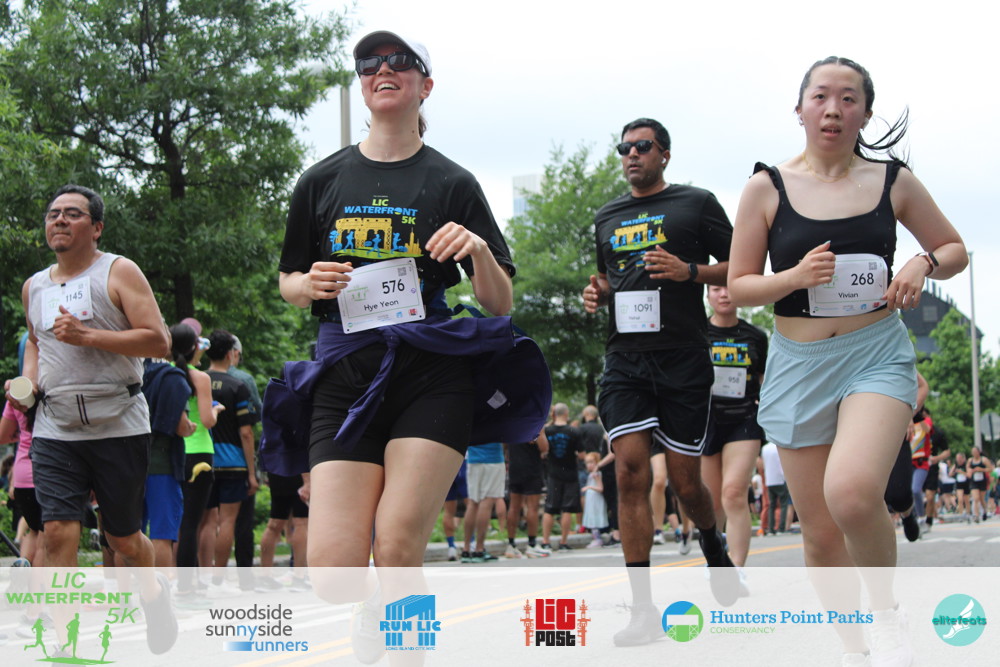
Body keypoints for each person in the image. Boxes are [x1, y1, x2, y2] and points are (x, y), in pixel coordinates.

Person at [265, 29, 548, 663]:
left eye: (399, 61)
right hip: (345, 369)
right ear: (362, 84)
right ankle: (372, 606)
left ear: (425, 85)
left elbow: (500, 303)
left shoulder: (451, 181)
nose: (382, 69)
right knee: (333, 572)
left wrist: (478, 250)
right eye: (370, 63)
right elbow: (288, 281)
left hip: (431, 371)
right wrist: (307, 283)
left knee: (396, 546)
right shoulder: (321, 180)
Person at [727, 56, 967, 666]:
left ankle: (885, 616)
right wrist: (793, 277)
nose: (833, 109)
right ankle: (854, 646)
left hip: (874, 354)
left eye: (849, 98)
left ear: (864, 112)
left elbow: (953, 248)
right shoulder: (766, 188)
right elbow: (740, 285)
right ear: (800, 108)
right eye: (821, 96)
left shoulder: (892, 181)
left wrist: (921, 263)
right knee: (820, 532)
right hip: (799, 363)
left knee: (854, 494)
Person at [582, 117, 737, 645]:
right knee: (629, 471)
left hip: (683, 359)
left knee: (685, 483)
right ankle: (643, 609)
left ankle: (712, 544)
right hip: (626, 359)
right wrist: (597, 292)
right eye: (624, 147)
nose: (631, 155)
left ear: (664, 154)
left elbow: (741, 267)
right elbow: (610, 277)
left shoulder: (696, 203)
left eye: (642, 146)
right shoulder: (607, 216)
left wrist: (689, 271)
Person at [4, 184, 177, 654]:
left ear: (96, 228)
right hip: (56, 425)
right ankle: (66, 644)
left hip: (118, 421)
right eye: (53, 214)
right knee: (57, 531)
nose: (59, 220)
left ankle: (154, 592)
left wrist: (89, 336)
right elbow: (36, 342)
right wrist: (28, 382)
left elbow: (158, 341)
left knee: (123, 539)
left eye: (72, 213)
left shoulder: (118, 271)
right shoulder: (34, 286)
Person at [701, 284, 768, 571]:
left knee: (733, 493)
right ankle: (717, 563)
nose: (724, 294)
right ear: (708, 295)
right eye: (716, 289)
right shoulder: (697, 332)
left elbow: (764, 380)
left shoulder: (756, 336)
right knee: (712, 503)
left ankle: (737, 568)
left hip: (744, 420)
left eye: (729, 288)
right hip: (705, 422)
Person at [204, 329, 259, 591]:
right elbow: (246, 432)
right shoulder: (238, 386)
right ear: (230, 354)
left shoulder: (196, 381)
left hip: (202, 458)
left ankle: (199, 577)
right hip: (233, 462)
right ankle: (218, 579)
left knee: (204, 522)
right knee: (227, 521)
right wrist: (252, 472)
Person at [171, 322, 221, 598]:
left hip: (172, 451)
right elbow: (206, 420)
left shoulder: (164, 372)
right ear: (194, 348)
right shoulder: (200, 378)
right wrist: (217, 411)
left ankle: (171, 579)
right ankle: (187, 584)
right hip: (200, 451)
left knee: (173, 523)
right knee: (191, 523)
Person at [140, 329, 197, 570]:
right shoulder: (173, 378)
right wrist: (190, 427)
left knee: (129, 535)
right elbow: (180, 427)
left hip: (128, 462)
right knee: (162, 534)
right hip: (162, 463)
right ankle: (159, 588)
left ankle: (125, 591)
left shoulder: (133, 370)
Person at [541, 403, 584, 552]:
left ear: (554, 414)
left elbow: (543, 450)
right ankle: (563, 542)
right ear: (566, 413)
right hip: (570, 473)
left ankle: (545, 541)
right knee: (567, 509)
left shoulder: (547, 430)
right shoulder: (574, 431)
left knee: (549, 508)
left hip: (553, 473)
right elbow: (582, 455)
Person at [505, 431, 550, 558]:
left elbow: (505, 444)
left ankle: (511, 545)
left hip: (515, 465)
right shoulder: (534, 423)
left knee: (514, 507)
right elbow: (544, 447)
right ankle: (532, 544)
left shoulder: (513, 422)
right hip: (531, 466)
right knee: (532, 507)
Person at [461, 442, 506, 563]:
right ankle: (479, 549)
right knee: (486, 502)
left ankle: (466, 549)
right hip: (493, 458)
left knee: (473, 503)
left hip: (473, 459)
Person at [581, 452, 609, 547]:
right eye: (587, 463)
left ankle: (597, 539)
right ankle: (595, 538)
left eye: (591, 462)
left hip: (595, 500)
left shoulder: (596, 474)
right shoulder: (591, 474)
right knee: (591, 518)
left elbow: (600, 488)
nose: (589, 465)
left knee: (594, 519)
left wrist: (589, 487)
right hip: (591, 500)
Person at [967, 446, 994, 522]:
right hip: (974, 481)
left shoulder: (984, 459)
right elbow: (967, 468)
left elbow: (991, 469)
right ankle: (976, 515)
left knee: (982, 499)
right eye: (973, 452)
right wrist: (971, 470)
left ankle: (985, 511)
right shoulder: (970, 460)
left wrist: (981, 469)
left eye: (975, 452)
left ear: (979, 452)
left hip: (982, 481)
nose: (974, 453)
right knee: (976, 498)